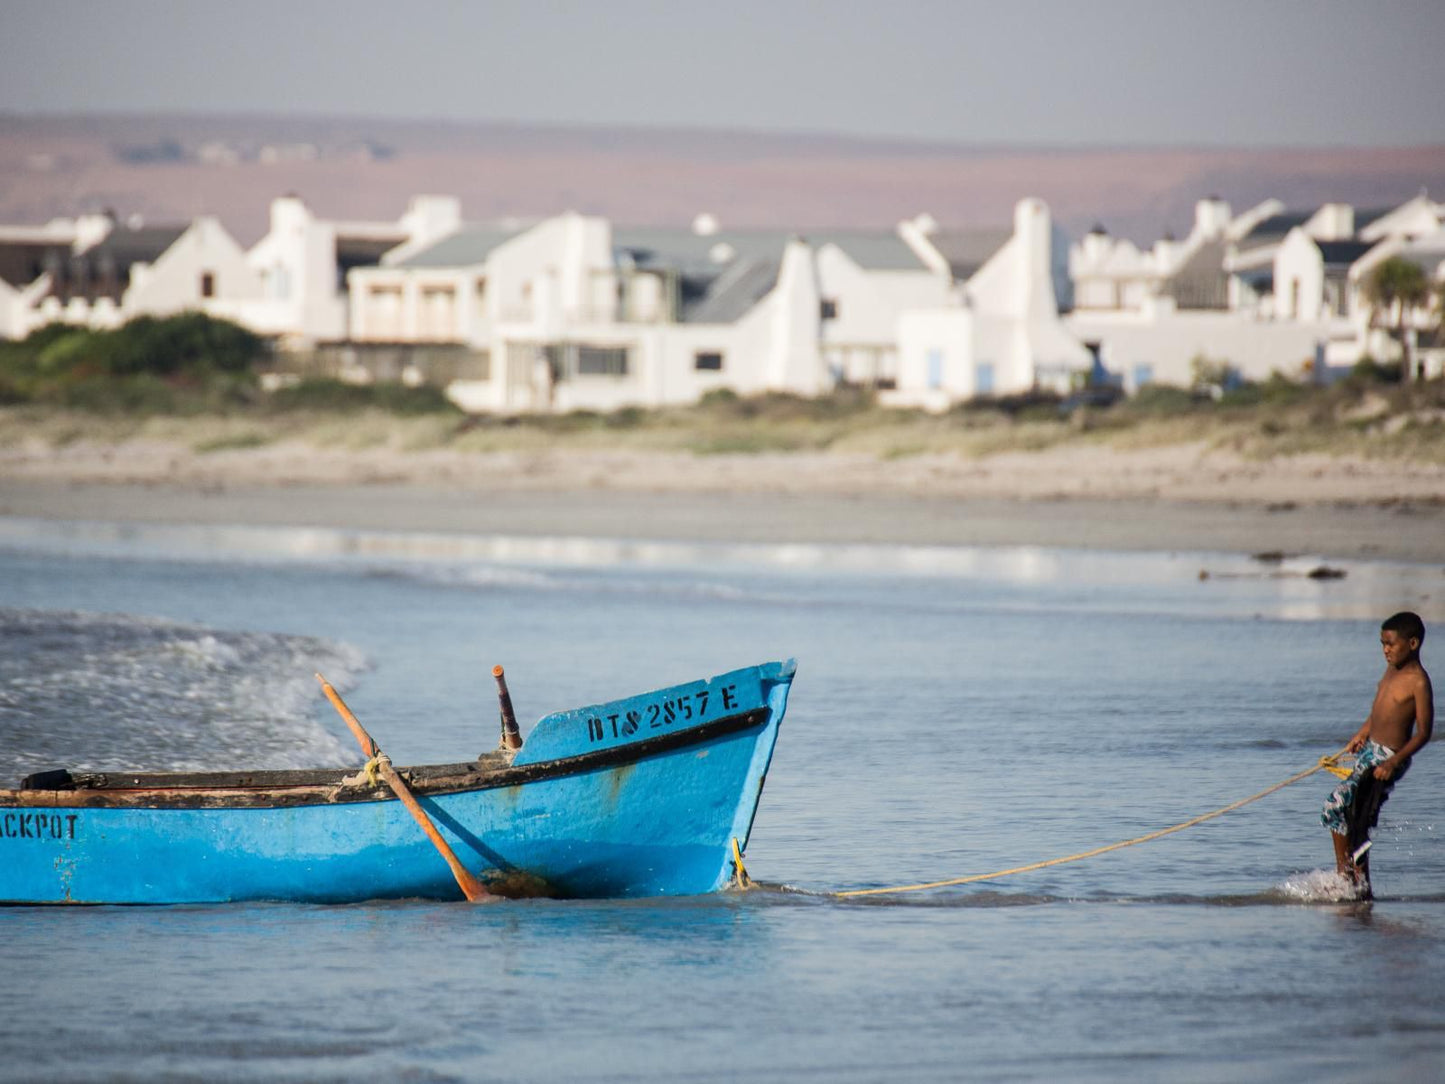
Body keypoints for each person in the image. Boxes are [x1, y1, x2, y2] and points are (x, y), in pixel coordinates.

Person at [1322, 611, 1434, 893]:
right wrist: (1362, 733)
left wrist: (1394, 761)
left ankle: (1350, 881)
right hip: (1370, 751)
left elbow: (1423, 733)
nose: (1385, 650)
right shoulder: (1391, 670)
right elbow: (1380, 710)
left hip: (1388, 757)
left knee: (1342, 808)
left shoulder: (1419, 681)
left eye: (1390, 644)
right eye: (1382, 643)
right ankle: (1351, 879)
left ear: (1412, 644)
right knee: (1345, 813)